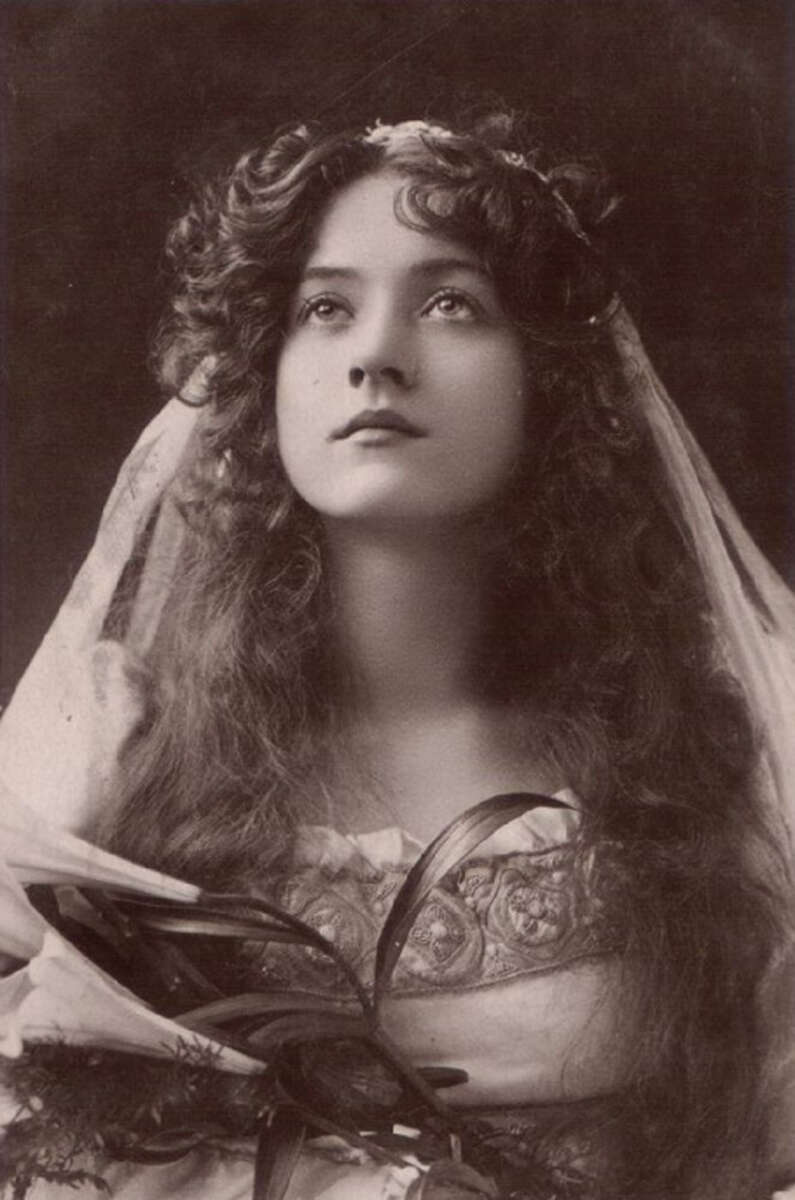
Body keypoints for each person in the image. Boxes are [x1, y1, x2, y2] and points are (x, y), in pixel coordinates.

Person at [1, 114, 794, 1200]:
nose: (377, 354)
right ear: (262, 379)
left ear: (546, 379)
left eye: (449, 302)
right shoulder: (110, 749)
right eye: (325, 308)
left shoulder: (715, 758)